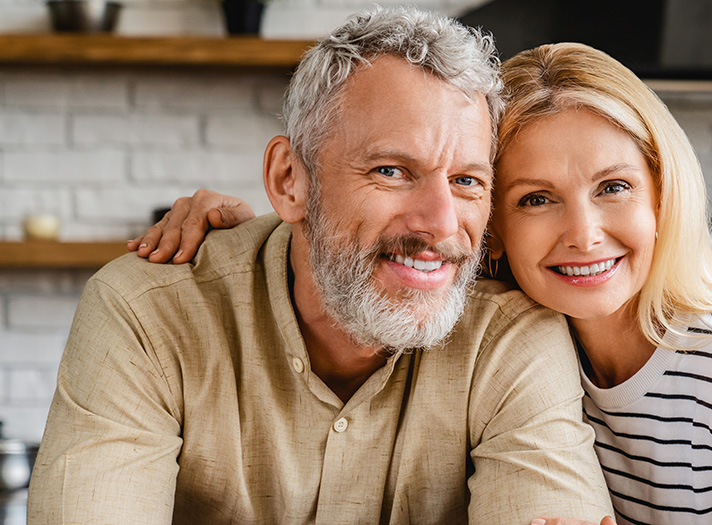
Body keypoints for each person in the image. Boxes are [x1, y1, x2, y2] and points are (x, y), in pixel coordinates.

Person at [136, 43, 712, 524]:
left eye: (613, 187)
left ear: (665, 194)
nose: (582, 233)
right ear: (493, 222)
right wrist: (239, 229)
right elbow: (374, 233)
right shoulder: (533, 337)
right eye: (537, 198)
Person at [28, 8, 612, 524]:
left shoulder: (512, 339)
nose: (439, 222)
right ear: (290, 180)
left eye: (466, 181)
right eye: (391, 171)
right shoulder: (147, 314)